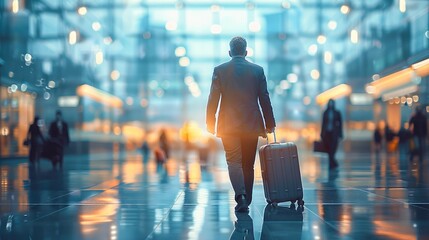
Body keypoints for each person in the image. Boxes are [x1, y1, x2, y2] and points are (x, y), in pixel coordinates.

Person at [206, 36, 276, 212]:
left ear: (230, 52)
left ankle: (241, 196)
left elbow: (213, 97)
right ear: (246, 52)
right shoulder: (257, 70)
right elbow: (264, 98)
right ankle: (247, 197)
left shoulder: (220, 70)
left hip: (228, 125)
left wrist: (210, 121)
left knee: (233, 162)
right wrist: (270, 123)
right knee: (247, 164)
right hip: (251, 124)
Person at [321, 99, 343, 169]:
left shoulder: (337, 112)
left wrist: (340, 133)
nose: (331, 105)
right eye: (330, 103)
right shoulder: (325, 113)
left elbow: (340, 124)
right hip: (327, 133)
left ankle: (332, 163)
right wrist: (321, 133)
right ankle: (333, 163)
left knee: (333, 148)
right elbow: (323, 124)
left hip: (334, 133)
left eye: (332, 103)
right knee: (328, 149)